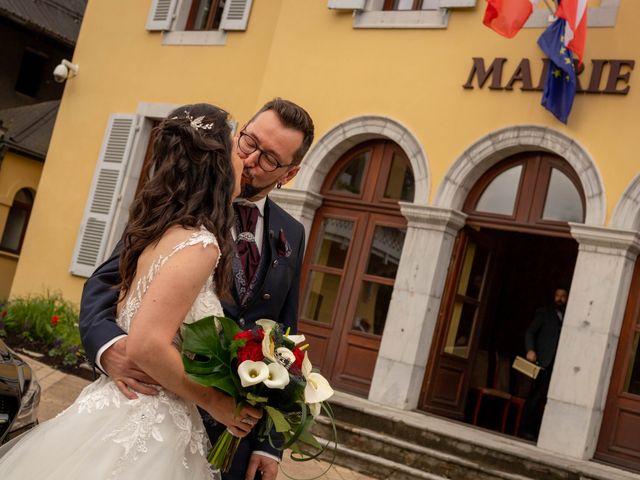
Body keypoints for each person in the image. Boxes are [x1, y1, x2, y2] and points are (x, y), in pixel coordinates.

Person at [0, 104, 263, 479]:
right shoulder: (200, 245)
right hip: (150, 421)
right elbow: (147, 344)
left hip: (120, 406)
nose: (245, 162)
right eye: (238, 148)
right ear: (218, 162)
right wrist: (215, 402)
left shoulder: (159, 231)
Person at [79, 98, 315, 480]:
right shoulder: (180, 207)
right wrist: (108, 349)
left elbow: (285, 336)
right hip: (156, 408)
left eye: (270, 158)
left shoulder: (293, 232)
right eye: (249, 142)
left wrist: (270, 445)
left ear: (289, 173)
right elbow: (108, 281)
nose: (252, 159)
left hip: (236, 435)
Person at [520, 286, 569, 441]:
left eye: (563, 296)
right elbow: (530, 332)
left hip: (560, 364)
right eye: (557, 295)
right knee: (535, 396)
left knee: (551, 398)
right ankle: (526, 430)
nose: (560, 299)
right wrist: (530, 350)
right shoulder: (544, 312)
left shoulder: (570, 315)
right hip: (543, 361)